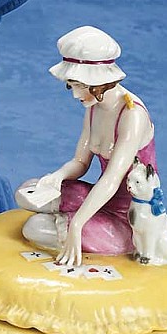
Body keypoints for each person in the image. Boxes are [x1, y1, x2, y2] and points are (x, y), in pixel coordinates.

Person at [15, 26, 156, 267]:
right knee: (27, 192)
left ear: (98, 82)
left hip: (129, 219)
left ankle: (90, 229)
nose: (75, 94)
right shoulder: (94, 107)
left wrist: (77, 224)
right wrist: (58, 176)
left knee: (35, 228)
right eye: (71, 85)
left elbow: (112, 180)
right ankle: (73, 217)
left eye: (79, 85)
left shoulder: (132, 115)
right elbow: (80, 162)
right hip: (101, 199)